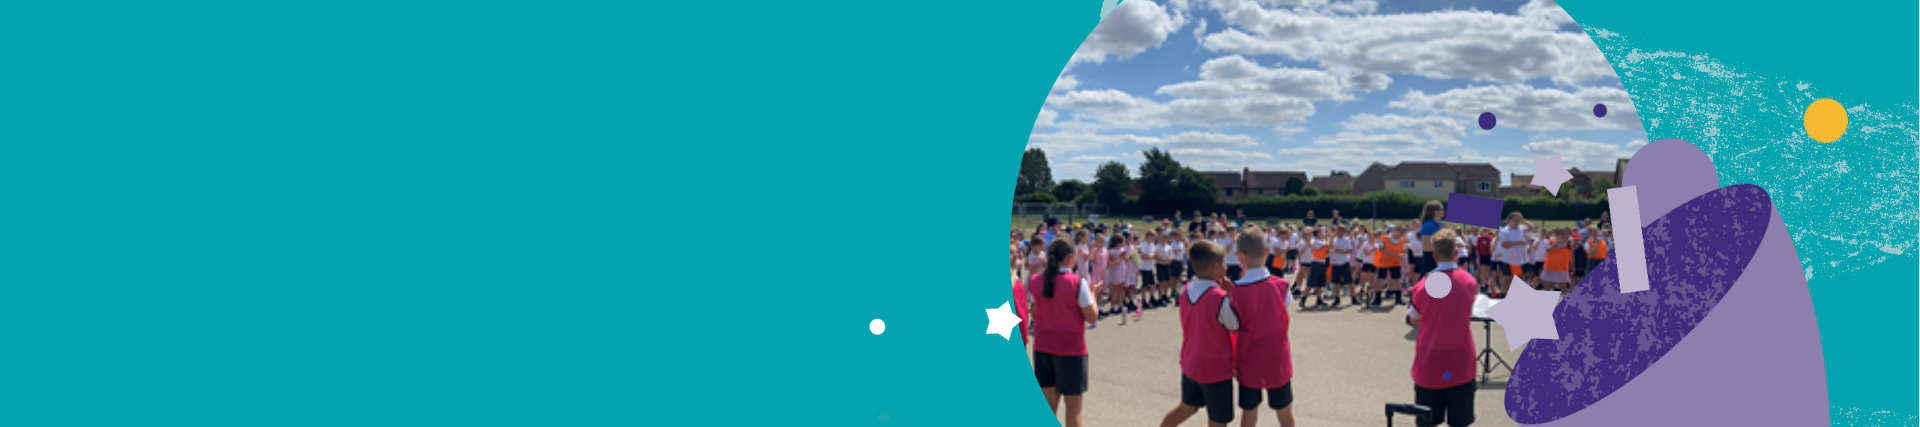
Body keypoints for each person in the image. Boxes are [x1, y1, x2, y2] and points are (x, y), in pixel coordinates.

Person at [1159, 240, 1240, 427]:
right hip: (1215, 368)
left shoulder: (1186, 290)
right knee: (1218, 419)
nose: (1226, 266)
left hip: (1191, 362)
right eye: (1223, 263)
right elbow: (1234, 325)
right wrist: (1230, 295)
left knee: (1187, 407)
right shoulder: (1218, 297)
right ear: (1214, 268)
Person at [1406, 229, 1480, 427]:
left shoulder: (1423, 285)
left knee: (1427, 420)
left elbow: (1414, 318)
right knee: (1460, 421)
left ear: (1434, 256)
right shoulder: (1469, 282)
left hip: (1431, 359)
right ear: (1456, 253)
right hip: (1461, 358)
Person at [1229, 229, 1296, 427]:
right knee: (1285, 412)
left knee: (1249, 411)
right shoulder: (1281, 285)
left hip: (1249, 358)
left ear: (1241, 255)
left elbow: (1234, 323)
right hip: (1277, 357)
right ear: (1266, 251)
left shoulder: (1238, 290)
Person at [1030, 239, 1099, 427]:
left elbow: (1034, 310)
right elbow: (1091, 317)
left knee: (1048, 404)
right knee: (1073, 406)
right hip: (1070, 350)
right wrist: (1093, 296)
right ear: (1070, 258)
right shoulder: (1077, 282)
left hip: (1043, 347)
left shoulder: (1036, 280)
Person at [1496, 212, 1529, 298]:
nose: (1517, 222)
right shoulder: (1504, 231)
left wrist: (1523, 219)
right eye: (1515, 220)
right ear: (1508, 220)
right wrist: (1517, 243)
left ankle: (1517, 297)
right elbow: (1504, 244)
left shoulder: (1521, 229)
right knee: (1507, 279)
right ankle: (1502, 297)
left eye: (1518, 220)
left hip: (1521, 259)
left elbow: (1533, 228)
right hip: (1510, 260)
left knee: (1521, 279)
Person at [1374, 225, 1406, 305]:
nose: (1401, 234)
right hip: (1383, 262)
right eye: (1400, 232)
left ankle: (1398, 298)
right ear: (1394, 230)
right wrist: (1395, 254)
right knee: (1380, 279)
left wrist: (1402, 254)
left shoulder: (1402, 240)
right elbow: (1381, 249)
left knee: (1396, 280)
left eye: (1402, 233)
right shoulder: (1384, 238)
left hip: (1395, 262)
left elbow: (1403, 250)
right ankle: (1377, 298)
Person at [1415, 201, 1445, 277]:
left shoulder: (1439, 224)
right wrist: (1445, 247)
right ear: (1435, 211)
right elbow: (1427, 247)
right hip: (1431, 259)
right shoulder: (1428, 225)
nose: (1443, 211)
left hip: (1439, 257)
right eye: (1442, 209)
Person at [1304, 227, 1331, 307]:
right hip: (1316, 263)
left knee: (1319, 283)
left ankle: (1319, 299)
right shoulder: (1316, 241)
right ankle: (1304, 298)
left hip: (1322, 263)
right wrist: (1330, 237)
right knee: (1312, 282)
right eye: (1323, 232)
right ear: (1318, 234)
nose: (1324, 234)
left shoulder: (1322, 241)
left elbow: (1327, 250)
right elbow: (1327, 245)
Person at [1543, 228, 1575, 296]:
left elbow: (1571, 257)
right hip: (1550, 268)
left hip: (1562, 269)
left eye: (1564, 234)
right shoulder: (1551, 241)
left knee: (1563, 288)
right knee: (1547, 288)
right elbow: (1548, 249)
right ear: (1556, 235)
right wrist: (1555, 244)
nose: (1562, 236)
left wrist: (1572, 267)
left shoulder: (1569, 244)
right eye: (1560, 234)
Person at [1330, 225, 1356, 305]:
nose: (1338, 233)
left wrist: (1339, 250)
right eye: (1337, 231)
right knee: (1336, 282)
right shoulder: (1334, 239)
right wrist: (1331, 238)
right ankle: (1337, 298)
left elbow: (1349, 250)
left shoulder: (1346, 240)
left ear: (1343, 232)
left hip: (1344, 262)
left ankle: (1353, 298)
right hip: (1335, 262)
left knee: (1349, 281)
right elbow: (1330, 247)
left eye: (1340, 231)